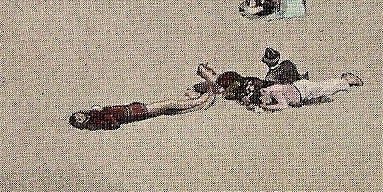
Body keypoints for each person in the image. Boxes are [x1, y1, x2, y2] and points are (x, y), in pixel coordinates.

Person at [69, 64, 220, 130]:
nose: (80, 116)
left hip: (133, 109)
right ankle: (200, 100)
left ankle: (199, 99)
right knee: (169, 104)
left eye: (78, 115)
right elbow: (114, 124)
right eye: (79, 119)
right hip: (135, 112)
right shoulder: (96, 121)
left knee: (169, 108)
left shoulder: (95, 116)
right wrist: (105, 114)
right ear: (81, 123)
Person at [256, 72, 363, 111]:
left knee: (325, 89)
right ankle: (342, 80)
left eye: (262, 98)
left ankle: (346, 81)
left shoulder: (274, 92)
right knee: (323, 86)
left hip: (303, 90)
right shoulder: (271, 91)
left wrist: (267, 107)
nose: (264, 100)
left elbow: (283, 105)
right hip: (301, 88)